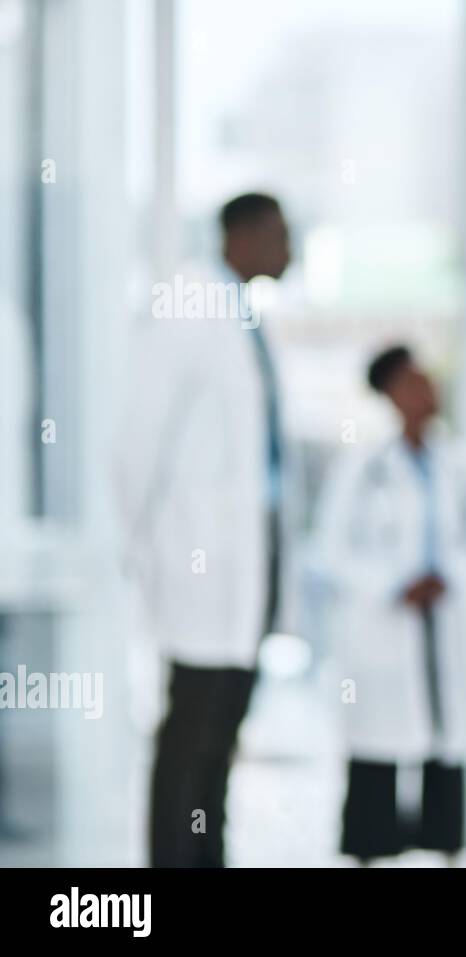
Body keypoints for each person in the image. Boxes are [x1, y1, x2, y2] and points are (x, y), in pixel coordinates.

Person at [112, 192, 291, 867]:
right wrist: (146, 550)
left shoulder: (241, 314)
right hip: (197, 563)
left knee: (219, 736)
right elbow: (134, 443)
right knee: (191, 731)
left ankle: (206, 860)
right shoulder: (187, 303)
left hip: (244, 565)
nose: (290, 249)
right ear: (243, 234)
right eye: (280, 234)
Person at [315, 346, 466, 865]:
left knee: (444, 742)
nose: (425, 391)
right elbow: (332, 548)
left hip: (440, 622)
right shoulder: (362, 466)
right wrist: (394, 585)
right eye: (411, 383)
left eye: (426, 380)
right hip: (385, 625)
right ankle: (370, 850)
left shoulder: (455, 462)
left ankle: (445, 847)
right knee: (378, 749)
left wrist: (447, 576)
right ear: (389, 396)